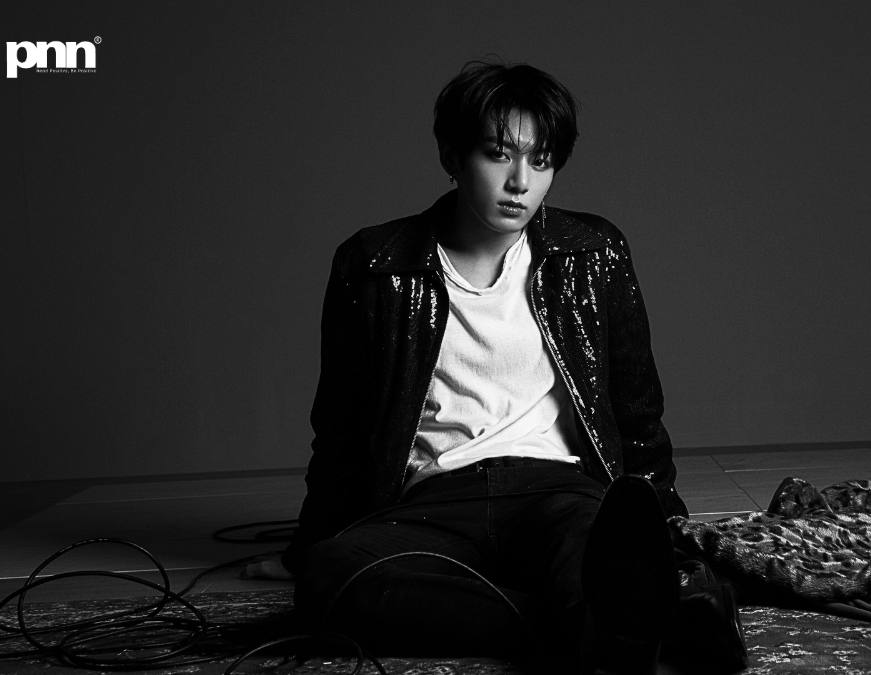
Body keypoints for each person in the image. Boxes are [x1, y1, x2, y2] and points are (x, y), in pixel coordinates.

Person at [247, 60, 744, 674]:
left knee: (601, 557)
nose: (520, 183)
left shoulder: (593, 253)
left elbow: (637, 410)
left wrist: (668, 538)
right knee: (330, 576)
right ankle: (593, 624)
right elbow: (341, 428)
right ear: (452, 156)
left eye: (541, 161)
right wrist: (307, 548)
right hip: (434, 503)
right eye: (498, 155)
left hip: (559, 491)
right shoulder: (374, 265)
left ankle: (593, 614)